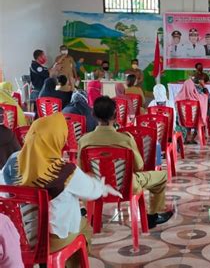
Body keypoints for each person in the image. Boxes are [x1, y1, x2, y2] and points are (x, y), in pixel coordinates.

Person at [1, 113, 122, 267]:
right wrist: (102, 186)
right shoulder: (64, 170)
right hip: (51, 240)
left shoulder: (11, 163)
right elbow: (92, 191)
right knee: (85, 226)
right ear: (57, 138)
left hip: (18, 238)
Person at [78, 96, 174, 227]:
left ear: (93, 114)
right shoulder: (125, 139)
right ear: (115, 115)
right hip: (127, 187)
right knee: (161, 176)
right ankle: (152, 216)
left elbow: (81, 168)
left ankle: (93, 216)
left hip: (96, 187)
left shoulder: (84, 140)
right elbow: (139, 166)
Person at [175, 79, 208, 144]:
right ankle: (192, 138)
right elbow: (207, 96)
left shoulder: (178, 98)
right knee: (200, 117)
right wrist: (204, 86)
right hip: (196, 122)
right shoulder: (199, 97)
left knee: (178, 118)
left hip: (182, 122)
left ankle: (185, 137)